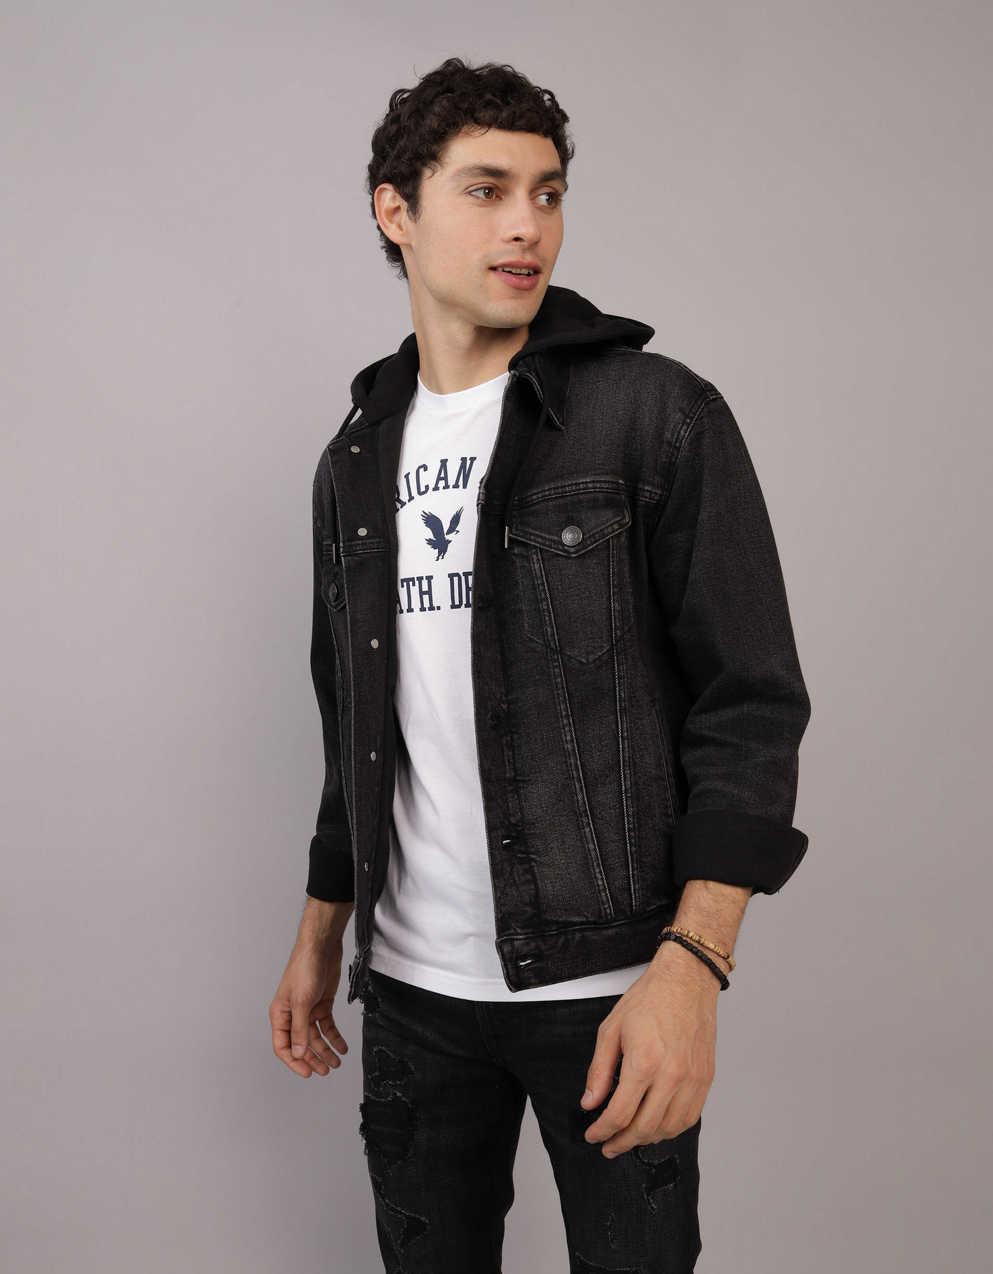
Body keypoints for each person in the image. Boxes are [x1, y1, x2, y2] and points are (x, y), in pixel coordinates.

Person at [269, 56, 811, 1273]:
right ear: (395, 210)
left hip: (611, 991)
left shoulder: (653, 414)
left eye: (549, 192)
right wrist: (320, 931)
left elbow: (752, 704)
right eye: (487, 190)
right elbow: (355, 721)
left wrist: (694, 966)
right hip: (409, 993)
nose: (528, 225)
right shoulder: (354, 458)